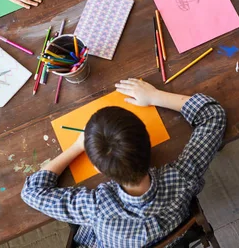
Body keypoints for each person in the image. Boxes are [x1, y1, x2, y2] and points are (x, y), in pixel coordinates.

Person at [21, 78, 226, 247]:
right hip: (176, 238)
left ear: (97, 168)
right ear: (149, 143)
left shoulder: (95, 207)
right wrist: (155, 96)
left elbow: (32, 191)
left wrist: (76, 147)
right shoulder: (182, 176)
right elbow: (212, 115)